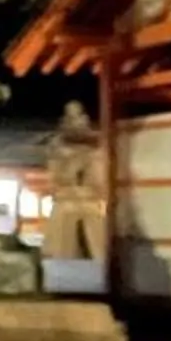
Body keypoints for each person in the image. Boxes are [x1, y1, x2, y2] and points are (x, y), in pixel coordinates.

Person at [42, 102, 107, 260]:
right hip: (66, 201)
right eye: (71, 116)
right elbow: (56, 178)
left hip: (89, 200)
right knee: (62, 246)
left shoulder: (96, 149)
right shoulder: (57, 148)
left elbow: (99, 178)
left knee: (98, 245)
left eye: (79, 116)